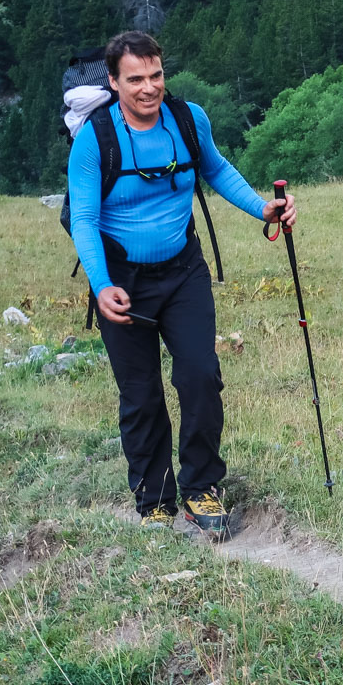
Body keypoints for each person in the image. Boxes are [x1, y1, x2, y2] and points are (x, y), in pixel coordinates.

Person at [67, 30, 295, 540]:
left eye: (156, 75)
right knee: (141, 394)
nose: (149, 88)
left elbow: (215, 168)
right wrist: (102, 286)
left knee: (200, 375)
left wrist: (264, 207)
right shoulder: (94, 139)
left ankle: (201, 488)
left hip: (183, 270)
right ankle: (154, 498)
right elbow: (83, 217)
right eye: (135, 79)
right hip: (121, 281)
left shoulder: (188, 120)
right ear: (113, 81)